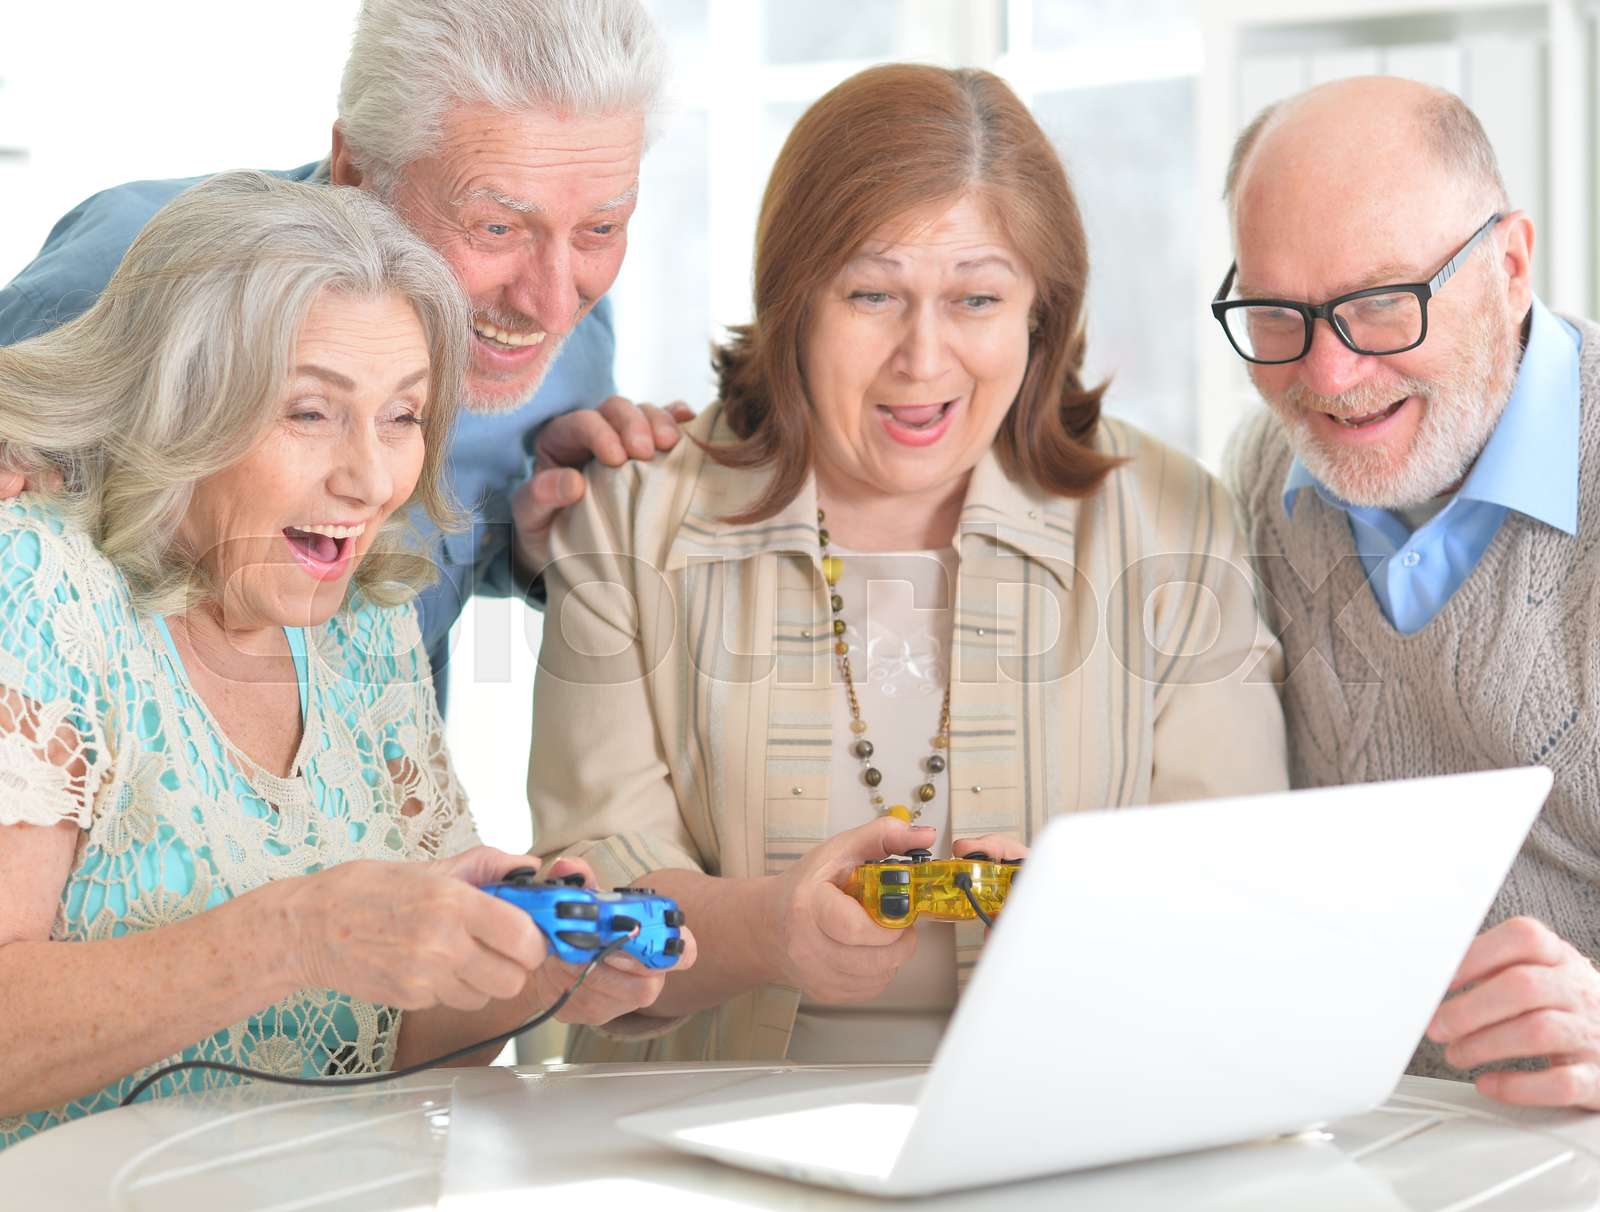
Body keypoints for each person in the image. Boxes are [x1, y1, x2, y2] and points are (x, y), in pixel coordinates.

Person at [526, 64, 1288, 1065]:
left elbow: (1236, 889)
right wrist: (773, 930)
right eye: (873, 294)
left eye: (976, 298)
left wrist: (1097, 924)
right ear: (794, 299)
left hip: (1069, 1109)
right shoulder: (628, 515)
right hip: (691, 1129)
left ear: (1038, 316)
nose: (922, 359)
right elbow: (588, 895)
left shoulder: (1175, 518)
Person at [0, 172, 691, 1150]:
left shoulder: (368, 616)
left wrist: (524, 974)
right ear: (177, 404)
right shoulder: (34, 582)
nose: (370, 478)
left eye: (403, 416)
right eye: (310, 413)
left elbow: (400, 1044)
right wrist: (296, 935)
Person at [0, 0, 688, 711]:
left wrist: (538, 535)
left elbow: (429, 558)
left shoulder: (563, 344)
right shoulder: (124, 274)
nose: (550, 304)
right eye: (497, 227)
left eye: (601, 227)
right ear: (358, 173)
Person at [1219, 76, 1600, 1108]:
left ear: (1509, 266)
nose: (1331, 377)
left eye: (1383, 301)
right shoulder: (1260, 479)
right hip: (1352, 1145)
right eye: (1277, 315)